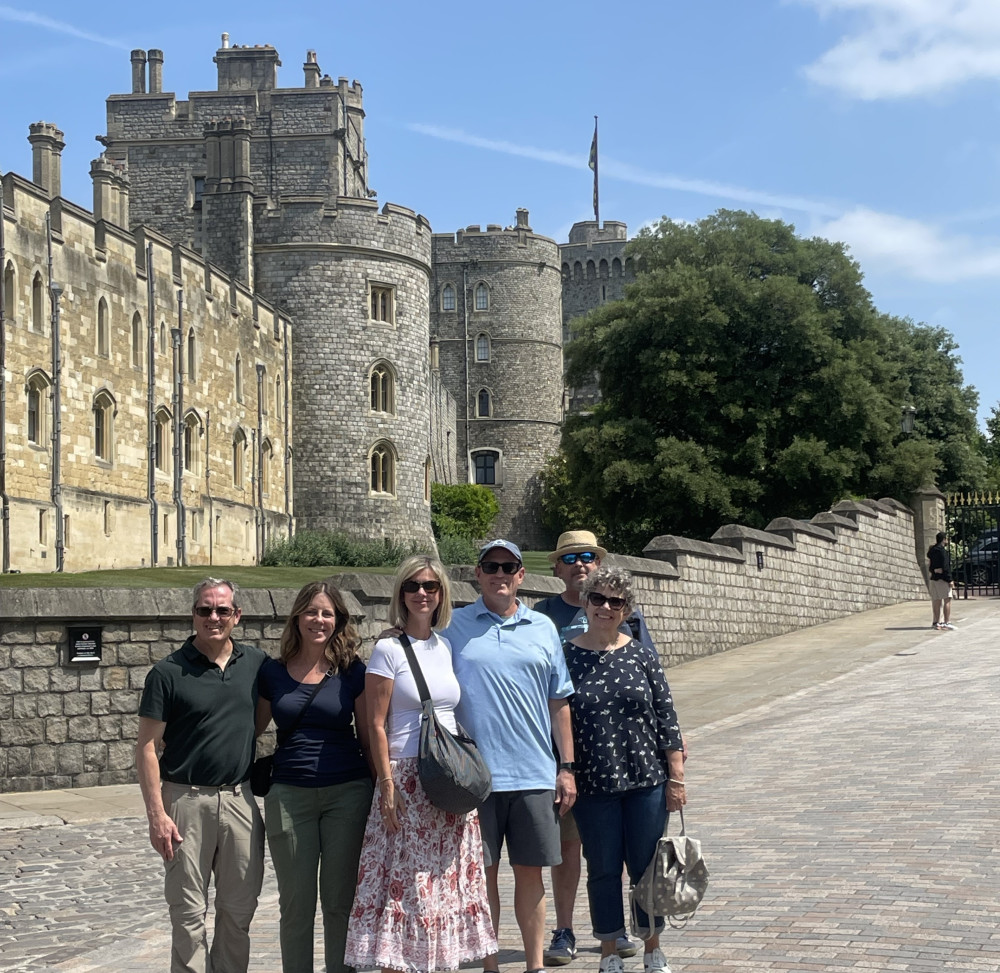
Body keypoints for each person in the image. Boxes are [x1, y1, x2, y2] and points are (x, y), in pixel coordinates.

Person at [345, 554, 497, 973]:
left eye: (430, 586)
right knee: (407, 885)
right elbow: (376, 724)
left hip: (446, 778)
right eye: (412, 586)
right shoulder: (388, 649)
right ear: (400, 594)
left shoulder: (444, 646)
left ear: (442, 594)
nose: (421, 593)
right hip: (408, 777)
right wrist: (387, 784)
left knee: (442, 884)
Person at [442, 539, 577, 973]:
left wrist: (566, 767)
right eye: (491, 566)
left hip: (534, 773)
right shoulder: (453, 627)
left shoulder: (543, 627)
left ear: (521, 575)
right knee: (481, 877)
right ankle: (491, 966)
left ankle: (534, 965)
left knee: (530, 873)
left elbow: (559, 701)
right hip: (474, 777)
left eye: (508, 567)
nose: (499, 574)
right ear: (477, 574)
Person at [135, 578, 266, 973]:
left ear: (237, 615)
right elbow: (146, 747)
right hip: (185, 801)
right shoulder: (167, 673)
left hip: (240, 801)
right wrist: (157, 815)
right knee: (188, 913)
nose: (213, 617)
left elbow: (259, 720)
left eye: (222, 610)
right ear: (192, 614)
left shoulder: (257, 665)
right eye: (204, 609)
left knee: (239, 910)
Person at [534, 530, 650, 966]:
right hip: (565, 755)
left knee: (615, 849)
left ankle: (617, 927)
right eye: (570, 558)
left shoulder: (625, 613)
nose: (580, 563)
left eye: (587, 556)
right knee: (569, 848)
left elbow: (648, 671)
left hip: (617, 755)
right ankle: (564, 929)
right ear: (557, 568)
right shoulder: (543, 615)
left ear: (599, 564)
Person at [565, 567, 686, 973]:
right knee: (602, 870)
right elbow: (557, 720)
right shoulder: (567, 657)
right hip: (593, 782)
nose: (605, 607)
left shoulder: (641, 654)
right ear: (585, 602)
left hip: (645, 778)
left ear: (627, 610)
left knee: (646, 868)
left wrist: (676, 776)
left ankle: (653, 948)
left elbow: (666, 715)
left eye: (615, 602)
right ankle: (609, 952)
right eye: (598, 598)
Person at [256, 581, 374, 973]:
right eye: (311, 611)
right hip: (290, 795)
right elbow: (250, 729)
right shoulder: (272, 673)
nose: (318, 620)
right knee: (296, 904)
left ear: (338, 619)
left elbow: (368, 736)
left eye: (326, 613)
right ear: (297, 617)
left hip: (347, 793)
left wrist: (383, 788)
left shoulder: (352, 671)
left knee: (340, 902)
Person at [927, 531, 955, 630]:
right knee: (947, 599)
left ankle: (936, 622)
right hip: (942, 579)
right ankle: (947, 622)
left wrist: (934, 571)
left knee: (936, 601)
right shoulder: (942, 551)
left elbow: (930, 565)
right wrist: (950, 580)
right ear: (944, 539)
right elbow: (945, 566)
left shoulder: (932, 551)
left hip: (934, 578)